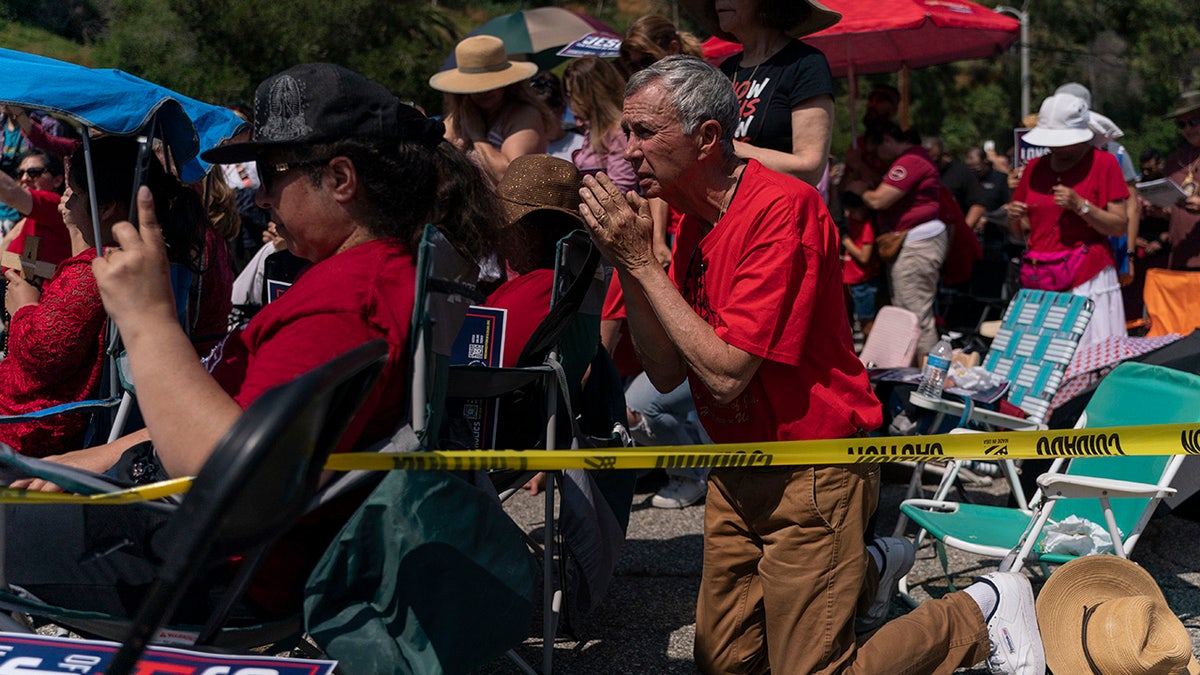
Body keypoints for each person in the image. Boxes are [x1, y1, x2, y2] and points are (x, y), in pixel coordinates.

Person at [580, 54, 1043, 675]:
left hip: (813, 463)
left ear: (707, 138)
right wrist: (631, 264)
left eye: (643, 131)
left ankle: (980, 610)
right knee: (725, 664)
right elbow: (665, 373)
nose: (626, 149)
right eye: (625, 131)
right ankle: (864, 569)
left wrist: (639, 264)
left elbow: (723, 372)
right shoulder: (691, 216)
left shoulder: (781, 208)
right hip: (739, 464)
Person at [6, 64, 492, 622]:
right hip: (210, 538)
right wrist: (83, 461)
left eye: (270, 173)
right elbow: (227, 421)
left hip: (218, 570)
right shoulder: (380, 276)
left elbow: (232, 481)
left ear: (340, 179)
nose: (259, 198)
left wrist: (147, 318)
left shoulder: (345, 302)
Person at [1, 137, 204, 458]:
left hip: (33, 428)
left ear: (106, 207)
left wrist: (24, 306)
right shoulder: (138, 257)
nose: (66, 206)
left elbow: (41, 353)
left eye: (76, 196)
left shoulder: (95, 270)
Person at [1009, 93, 1129, 350]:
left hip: (1087, 277)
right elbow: (1024, 233)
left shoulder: (1104, 163)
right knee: (1040, 358)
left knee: (1086, 356)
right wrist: (1015, 218)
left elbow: (1119, 226)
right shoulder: (1034, 167)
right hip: (1039, 276)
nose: (1055, 148)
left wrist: (1081, 206)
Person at [682, 0, 839, 193]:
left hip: (779, 213)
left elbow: (810, 169)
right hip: (727, 213)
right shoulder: (725, 71)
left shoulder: (805, 64)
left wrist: (723, 145)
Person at [846, 123, 947, 358]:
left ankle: (927, 380)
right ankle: (914, 374)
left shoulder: (910, 160)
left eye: (876, 150)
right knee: (908, 313)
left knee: (915, 315)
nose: (877, 158)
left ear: (888, 141)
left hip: (916, 245)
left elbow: (880, 200)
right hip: (913, 243)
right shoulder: (912, 160)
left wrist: (861, 191)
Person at [430, 35, 555, 184]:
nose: (484, 92)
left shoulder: (524, 116)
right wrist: (458, 147)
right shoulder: (459, 117)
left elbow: (510, 177)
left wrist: (478, 137)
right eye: (476, 86)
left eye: (492, 85)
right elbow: (436, 167)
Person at [563, 57, 638, 194]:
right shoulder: (592, 129)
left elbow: (622, 188)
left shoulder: (619, 131)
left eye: (573, 93)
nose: (571, 100)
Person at [0, 149, 72, 275]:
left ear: (57, 181)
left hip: (41, 292)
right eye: (19, 173)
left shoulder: (57, 206)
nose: (24, 178)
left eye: (34, 173)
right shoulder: (29, 218)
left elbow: (11, 193)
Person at [1162, 90, 1200, 270]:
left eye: (1194, 121)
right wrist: (1159, 208)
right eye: (1181, 124)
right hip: (1180, 258)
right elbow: (1171, 209)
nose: (1188, 129)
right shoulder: (1174, 160)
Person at [923, 136, 986, 232]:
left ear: (944, 155)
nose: (931, 164)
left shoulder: (961, 172)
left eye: (936, 160)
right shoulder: (920, 173)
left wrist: (964, 231)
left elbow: (978, 204)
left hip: (953, 231)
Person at [839, 191, 880, 339]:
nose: (849, 214)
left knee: (867, 323)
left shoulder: (867, 226)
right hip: (852, 281)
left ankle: (873, 354)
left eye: (853, 211)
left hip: (864, 282)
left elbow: (864, 257)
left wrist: (846, 242)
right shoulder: (853, 221)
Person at [617, 14, 705, 78]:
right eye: (633, 66)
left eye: (648, 61)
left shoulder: (702, 86)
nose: (641, 72)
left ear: (673, 49)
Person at [528, 72, 585, 162]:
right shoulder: (527, 150)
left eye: (544, 115)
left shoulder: (582, 146)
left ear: (560, 109)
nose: (538, 122)